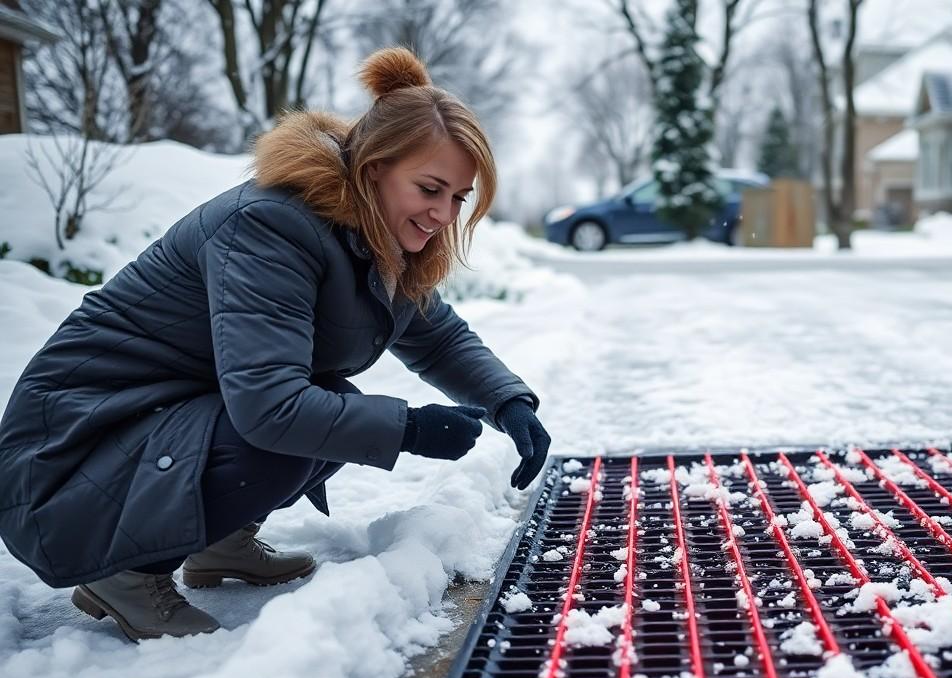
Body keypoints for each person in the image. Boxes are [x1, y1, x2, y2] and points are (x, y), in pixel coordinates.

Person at [0, 48, 550, 643]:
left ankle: (215, 543)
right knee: (305, 421)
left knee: (334, 403)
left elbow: (436, 336)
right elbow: (268, 404)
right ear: (372, 168)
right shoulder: (269, 227)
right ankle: (126, 572)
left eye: (459, 199)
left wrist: (508, 403)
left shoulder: (370, 238)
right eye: (430, 189)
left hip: (148, 428)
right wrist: (411, 429)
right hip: (68, 453)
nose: (443, 215)